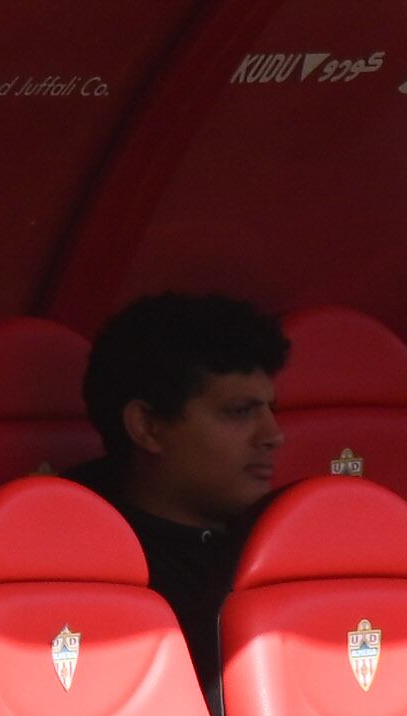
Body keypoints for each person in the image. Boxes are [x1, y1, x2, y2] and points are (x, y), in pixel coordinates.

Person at [65, 293, 290, 688]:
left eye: (271, 410)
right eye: (239, 412)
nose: (273, 435)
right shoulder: (68, 564)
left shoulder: (288, 544)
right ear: (147, 427)